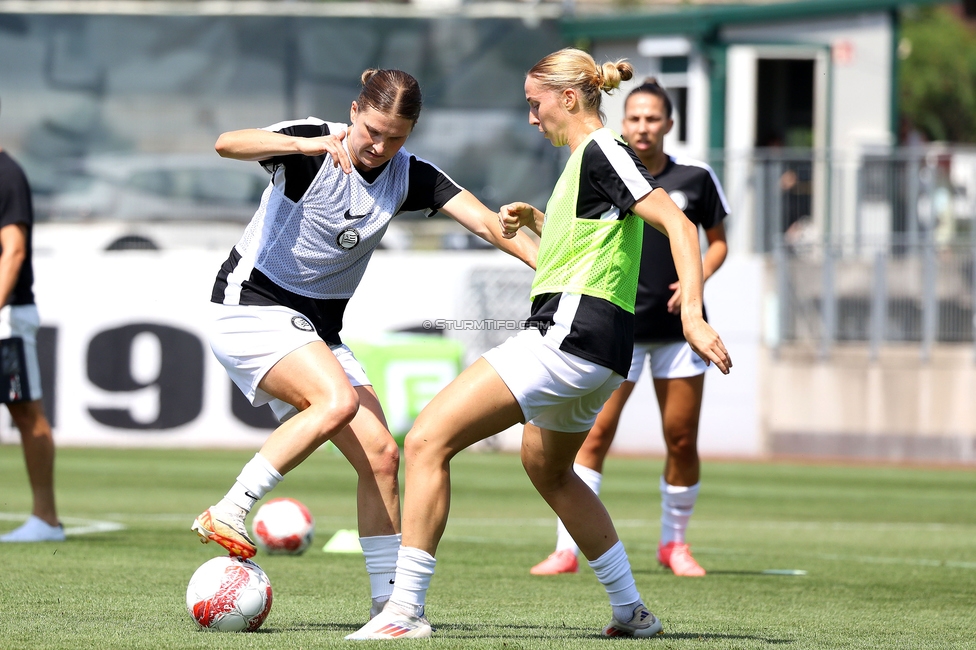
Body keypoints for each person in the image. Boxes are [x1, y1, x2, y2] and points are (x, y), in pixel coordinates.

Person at [348, 49, 731, 641]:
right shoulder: (585, 163)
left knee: (425, 440)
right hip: (600, 354)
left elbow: (679, 224)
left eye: (535, 104)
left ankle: (402, 613)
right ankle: (631, 612)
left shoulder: (602, 150)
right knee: (549, 471)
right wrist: (537, 219)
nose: (532, 118)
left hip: (568, 339)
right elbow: (590, 245)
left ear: (569, 98)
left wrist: (694, 320)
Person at [191, 69, 537, 619]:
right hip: (250, 306)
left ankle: (390, 609)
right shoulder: (312, 142)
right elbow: (226, 142)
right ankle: (231, 508)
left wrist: (550, 269)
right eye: (372, 130)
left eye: (395, 137)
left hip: (316, 329)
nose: (379, 147)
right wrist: (304, 144)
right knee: (337, 402)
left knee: (381, 455)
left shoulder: (407, 175)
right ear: (355, 111)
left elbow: (487, 224)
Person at [529, 78, 729, 578]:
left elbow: (715, 241)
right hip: (618, 331)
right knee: (592, 438)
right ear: (625, 121)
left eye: (652, 118)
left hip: (678, 333)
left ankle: (674, 545)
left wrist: (694, 290)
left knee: (680, 438)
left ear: (669, 124)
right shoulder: (606, 162)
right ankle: (565, 548)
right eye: (635, 117)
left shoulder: (695, 178)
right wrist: (535, 218)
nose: (642, 126)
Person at [0, 98, 64, 544]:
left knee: (26, 413)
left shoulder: (6, 174)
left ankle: (46, 519)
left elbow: (14, 251)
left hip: (6, 316)